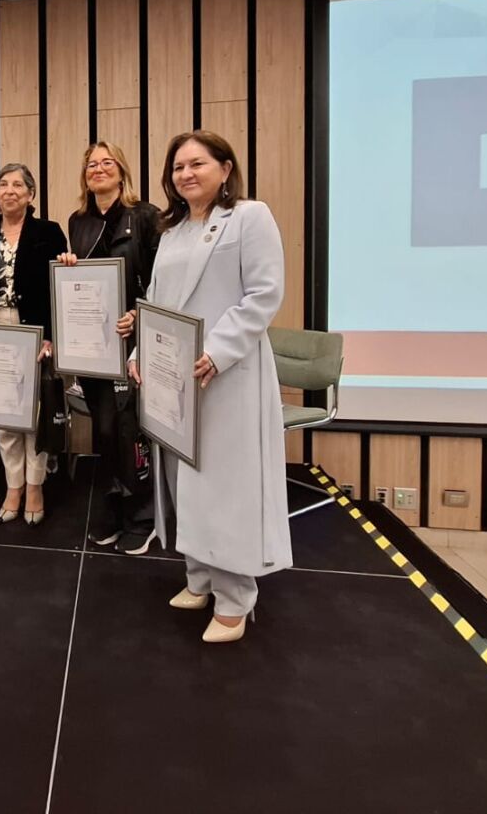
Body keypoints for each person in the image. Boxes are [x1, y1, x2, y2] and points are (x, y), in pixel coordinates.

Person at [127, 130, 291, 644]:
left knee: (225, 487)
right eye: (177, 167)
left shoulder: (249, 217)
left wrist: (217, 352)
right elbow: (155, 302)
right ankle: (198, 576)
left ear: (225, 168)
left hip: (226, 375)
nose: (185, 174)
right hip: (174, 377)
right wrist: (139, 353)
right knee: (183, 480)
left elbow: (264, 295)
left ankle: (236, 599)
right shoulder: (171, 230)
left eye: (197, 163)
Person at [57, 141, 161, 554]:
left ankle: (143, 516)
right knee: (102, 429)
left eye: (106, 163)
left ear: (122, 170)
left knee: (129, 430)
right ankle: (114, 508)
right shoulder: (78, 220)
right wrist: (69, 268)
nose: (98, 169)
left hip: (133, 343)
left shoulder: (145, 215)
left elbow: (160, 280)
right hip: (93, 346)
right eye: (91, 164)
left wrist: (139, 315)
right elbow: (83, 280)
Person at [0, 164, 67, 525]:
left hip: (34, 328)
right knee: (4, 413)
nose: (10, 190)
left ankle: (35, 484)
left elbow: (56, 289)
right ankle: (13, 484)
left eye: (18, 184)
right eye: (3, 184)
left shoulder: (49, 232)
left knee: (32, 413)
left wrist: (51, 334)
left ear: (31, 194)